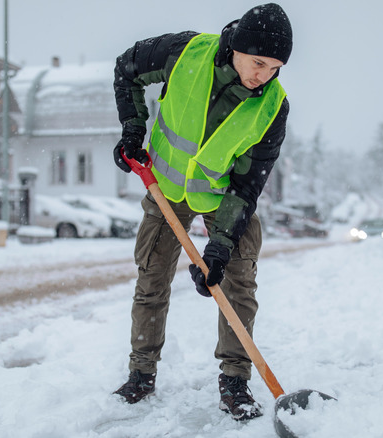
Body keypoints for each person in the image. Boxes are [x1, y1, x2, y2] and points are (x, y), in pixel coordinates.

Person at [111, 3, 292, 421]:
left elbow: (248, 186)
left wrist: (220, 248)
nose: (262, 75)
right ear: (237, 48)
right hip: (165, 187)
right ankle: (141, 374)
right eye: (258, 62)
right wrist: (133, 129)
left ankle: (235, 380)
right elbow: (126, 69)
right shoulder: (184, 52)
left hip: (223, 195)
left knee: (238, 283)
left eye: (274, 67)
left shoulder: (272, 109)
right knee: (152, 278)